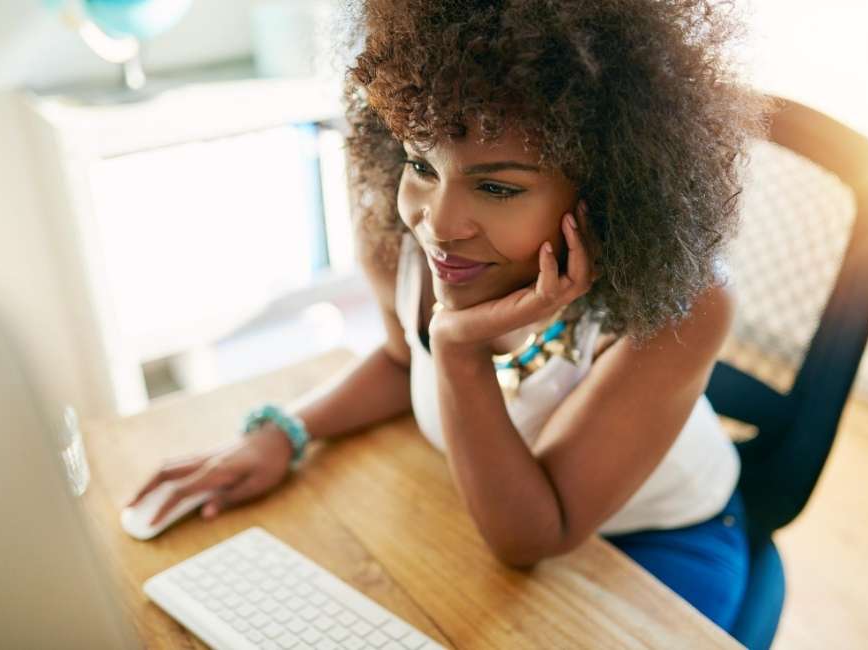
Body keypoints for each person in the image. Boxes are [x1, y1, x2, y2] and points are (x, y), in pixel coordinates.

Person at [128, 0, 771, 633]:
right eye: (420, 164)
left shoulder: (685, 308)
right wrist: (286, 433)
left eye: (497, 187)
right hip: (475, 504)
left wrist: (460, 349)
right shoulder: (395, 240)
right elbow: (402, 362)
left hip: (659, 549)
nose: (437, 223)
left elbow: (532, 536)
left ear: (604, 188)